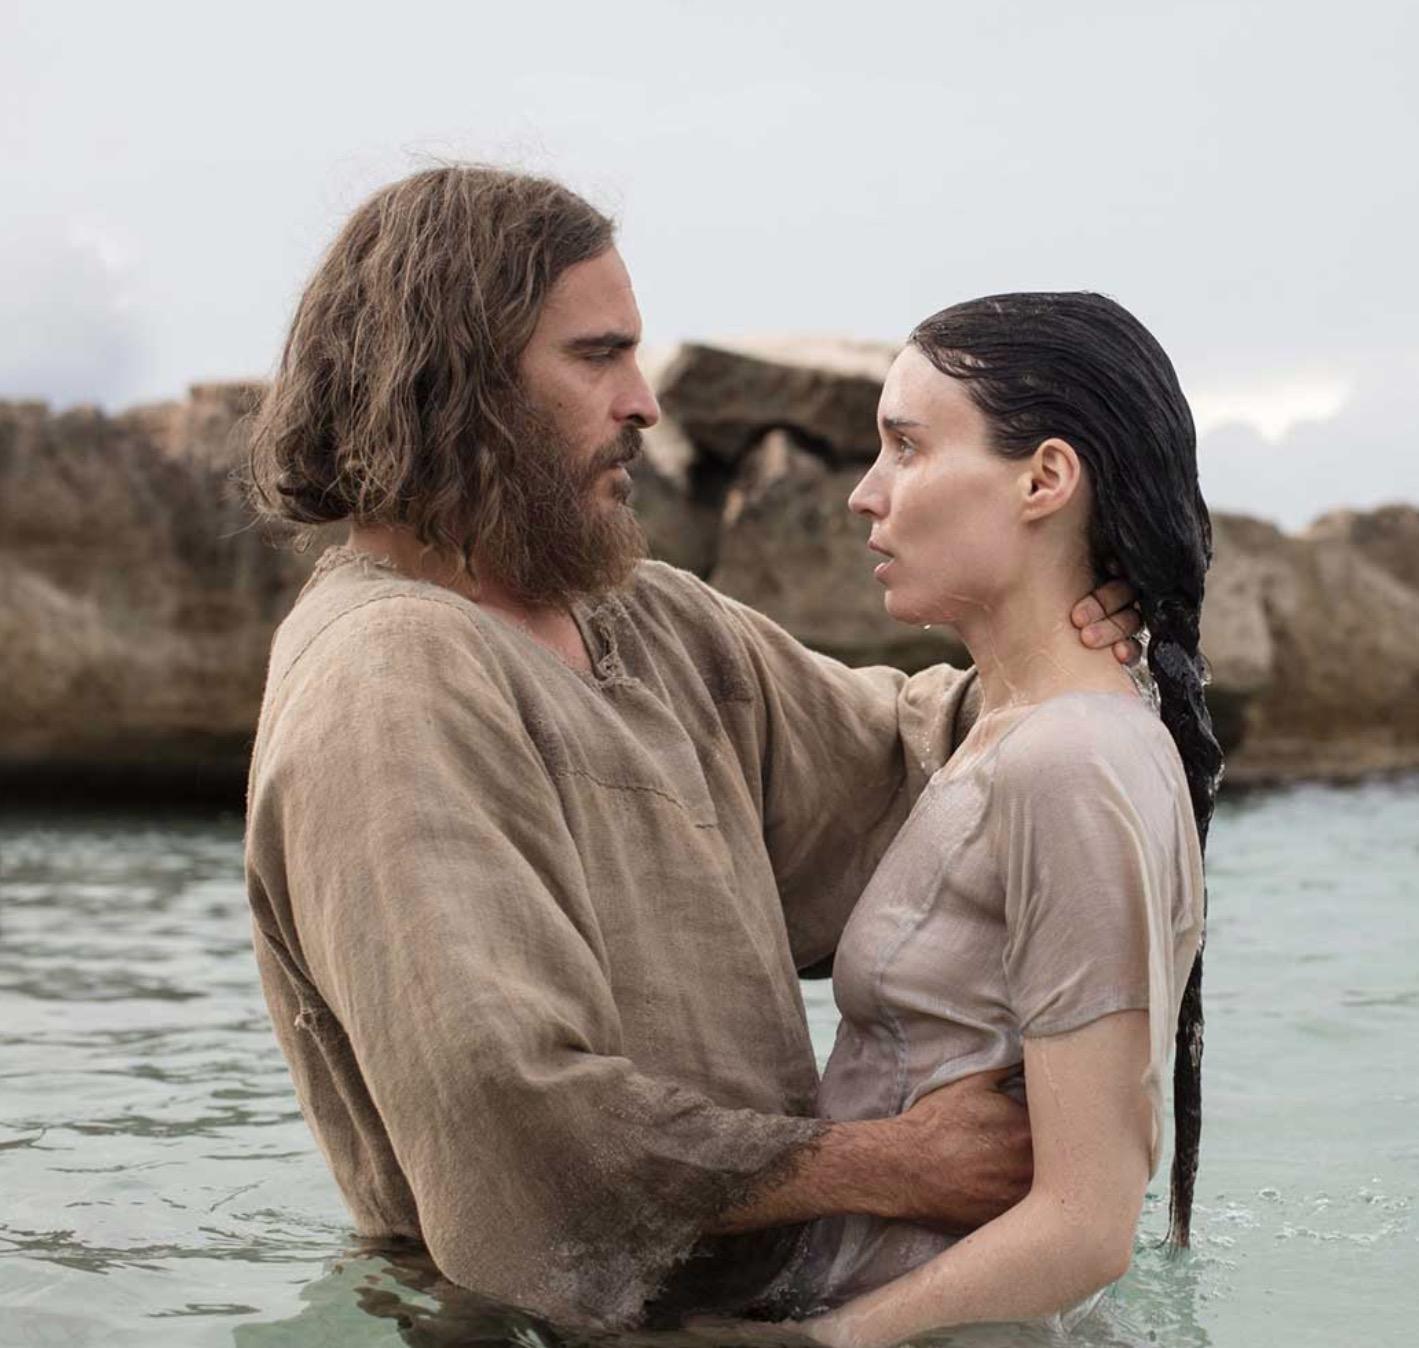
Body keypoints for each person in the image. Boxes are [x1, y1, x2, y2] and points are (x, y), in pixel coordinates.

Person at [237, 166, 1144, 1332]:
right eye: (596, 356)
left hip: (771, 1307)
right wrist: (891, 1163)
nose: (644, 403)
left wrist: (1070, 650)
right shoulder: (386, 675)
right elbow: (508, 1104)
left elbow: (898, 766)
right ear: (453, 380)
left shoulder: (640, 615)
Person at [786, 292, 1222, 1348]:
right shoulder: (1013, 732)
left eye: (906, 447)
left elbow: (1085, 1225)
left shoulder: (1068, 761)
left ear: (1044, 479)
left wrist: (815, 1345)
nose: (865, 494)